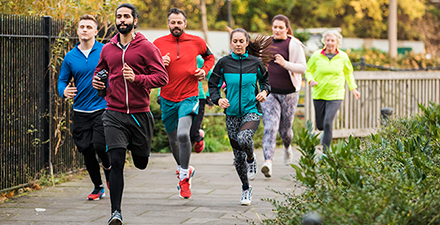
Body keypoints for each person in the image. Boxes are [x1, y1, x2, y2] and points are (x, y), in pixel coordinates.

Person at [92, 3, 168, 225]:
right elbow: (100, 71)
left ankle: (142, 152)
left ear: (135, 20)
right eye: (119, 16)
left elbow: (162, 78)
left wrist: (137, 79)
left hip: (139, 114)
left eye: (126, 16)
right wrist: (98, 83)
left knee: (141, 162)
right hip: (113, 113)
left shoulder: (146, 48)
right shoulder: (107, 48)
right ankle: (116, 212)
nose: (122, 20)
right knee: (116, 160)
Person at [153, 8, 215, 199]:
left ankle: (183, 176)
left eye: (180, 22)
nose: (176, 25)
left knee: (182, 134)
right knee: (172, 139)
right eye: (173, 22)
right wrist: (158, 63)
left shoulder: (197, 41)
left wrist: (204, 71)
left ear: (185, 24)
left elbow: (210, 57)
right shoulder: (157, 44)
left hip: (190, 95)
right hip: (167, 97)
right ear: (168, 24)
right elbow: (147, 65)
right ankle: (184, 170)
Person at [208, 28, 271, 205]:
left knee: (244, 139)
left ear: (246, 42)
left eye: (241, 41)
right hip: (232, 114)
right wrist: (218, 99)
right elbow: (213, 84)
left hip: (252, 110)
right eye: (234, 41)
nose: (238, 44)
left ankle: (251, 158)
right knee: (237, 157)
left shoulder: (255, 63)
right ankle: (246, 188)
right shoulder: (223, 63)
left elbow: (266, 81)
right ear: (231, 43)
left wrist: (265, 92)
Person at [57, 14, 111, 201]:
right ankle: (98, 186)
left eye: (89, 27)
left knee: (99, 145)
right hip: (80, 111)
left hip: (102, 108)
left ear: (96, 31)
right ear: (78, 31)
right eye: (82, 27)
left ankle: (109, 168)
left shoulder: (105, 51)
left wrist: (107, 85)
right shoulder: (70, 57)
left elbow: (115, 75)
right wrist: (63, 91)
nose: (85, 29)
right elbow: (62, 80)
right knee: (86, 149)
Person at [260, 15, 307, 178]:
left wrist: (285, 63)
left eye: (281, 27)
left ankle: (287, 147)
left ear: (287, 28)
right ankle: (268, 162)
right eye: (275, 27)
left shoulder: (294, 44)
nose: (277, 30)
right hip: (270, 93)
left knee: (285, 129)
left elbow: (303, 68)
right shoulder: (265, 42)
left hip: (289, 93)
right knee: (270, 127)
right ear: (272, 28)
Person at [305, 30, 360, 152]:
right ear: (324, 41)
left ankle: (326, 152)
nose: (330, 43)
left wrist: (353, 89)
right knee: (320, 126)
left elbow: (348, 73)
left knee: (328, 123)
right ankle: (325, 135)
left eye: (332, 40)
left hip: (336, 94)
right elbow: (308, 70)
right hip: (319, 93)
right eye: (328, 40)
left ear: (337, 42)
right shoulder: (316, 55)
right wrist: (310, 80)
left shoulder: (343, 57)